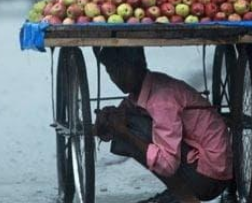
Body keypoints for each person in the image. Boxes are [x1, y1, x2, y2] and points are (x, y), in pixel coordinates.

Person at [94, 47, 232, 203]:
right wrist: (109, 116)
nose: (117, 78)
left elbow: (168, 165)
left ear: (138, 65)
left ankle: (186, 197)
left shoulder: (162, 100)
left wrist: (125, 133)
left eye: (122, 70)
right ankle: (179, 191)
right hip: (209, 166)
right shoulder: (147, 85)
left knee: (131, 128)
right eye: (111, 72)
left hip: (210, 177)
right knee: (127, 121)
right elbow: (126, 109)